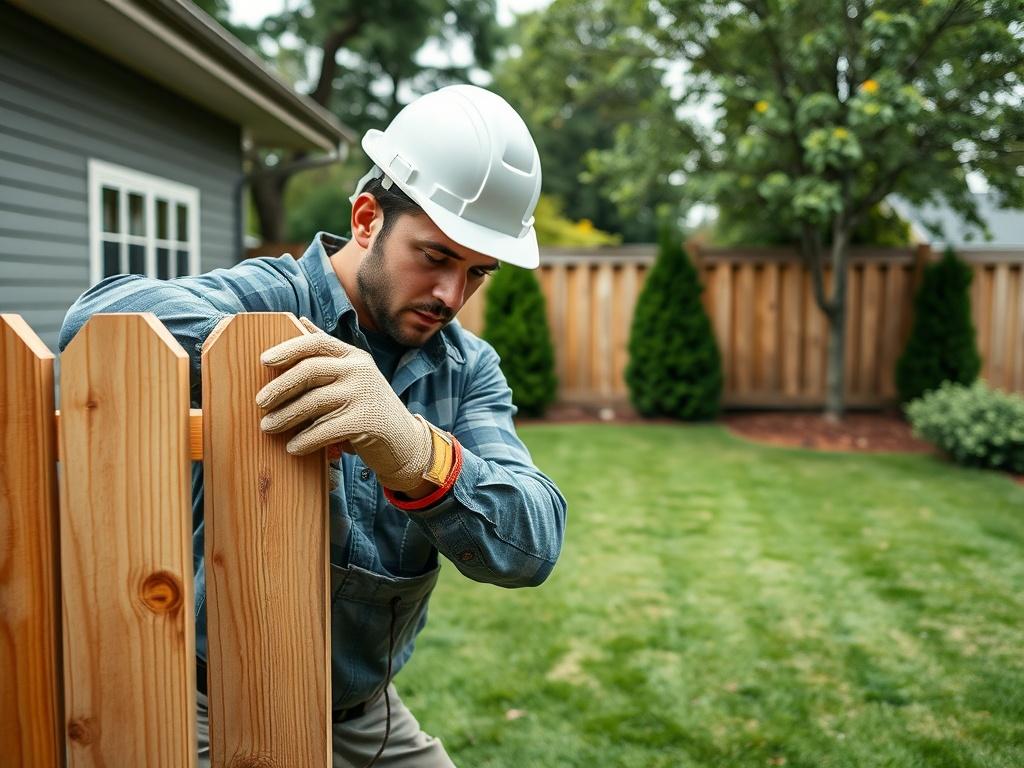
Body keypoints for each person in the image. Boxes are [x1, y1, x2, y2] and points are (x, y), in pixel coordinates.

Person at [58, 84, 567, 767]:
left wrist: (411, 448)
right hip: (215, 703)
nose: (452, 296)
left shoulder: (467, 370)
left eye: (478, 273)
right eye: (436, 257)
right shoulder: (273, 298)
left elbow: (532, 543)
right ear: (366, 218)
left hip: (364, 713)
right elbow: (96, 325)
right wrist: (288, 359)